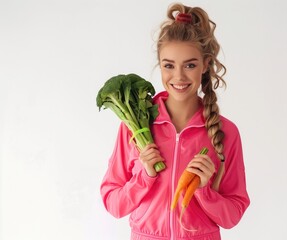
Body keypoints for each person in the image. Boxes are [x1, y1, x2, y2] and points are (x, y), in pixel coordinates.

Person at [100, 3, 250, 240]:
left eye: (190, 65)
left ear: (206, 64)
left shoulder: (225, 132)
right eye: (169, 65)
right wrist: (145, 177)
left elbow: (232, 215)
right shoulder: (135, 127)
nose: (179, 76)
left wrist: (203, 190)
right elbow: (113, 203)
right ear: (160, 65)